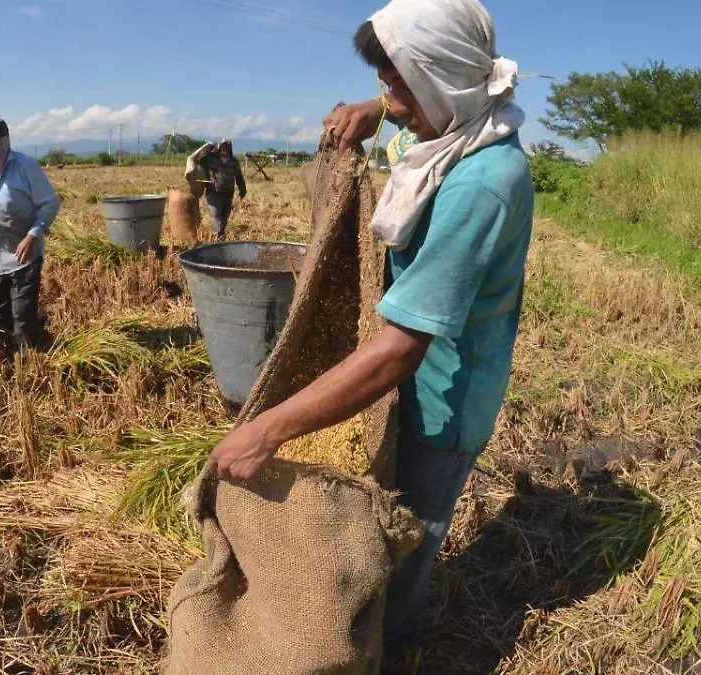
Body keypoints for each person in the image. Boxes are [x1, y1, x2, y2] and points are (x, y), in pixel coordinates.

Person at [204, 0, 534, 669]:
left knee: (407, 538)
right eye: (386, 83)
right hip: (404, 374)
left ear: (444, 80)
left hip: (443, 395)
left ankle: (395, 644)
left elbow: (398, 349)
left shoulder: (482, 182)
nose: (393, 101)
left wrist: (264, 429)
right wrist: (375, 108)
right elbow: (407, 111)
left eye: (399, 86)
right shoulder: (447, 125)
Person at [0, 118, 60, 351]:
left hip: (23, 256)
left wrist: (33, 235)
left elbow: (49, 204)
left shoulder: (24, 167)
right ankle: (32, 326)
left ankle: (29, 362)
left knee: (22, 322)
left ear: (4, 144)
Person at [198, 139, 246, 239]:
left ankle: (221, 233)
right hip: (214, 192)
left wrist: (242, 189)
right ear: (219, 148)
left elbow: (239, 176)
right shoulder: (211, 158)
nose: (225, 150)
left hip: (228, 193)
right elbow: (199, 158)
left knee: (224, 216)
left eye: (227, 148)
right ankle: (219, 235)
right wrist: (208, 147)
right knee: (215, 214)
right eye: (223, 147)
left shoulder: (234, 161)